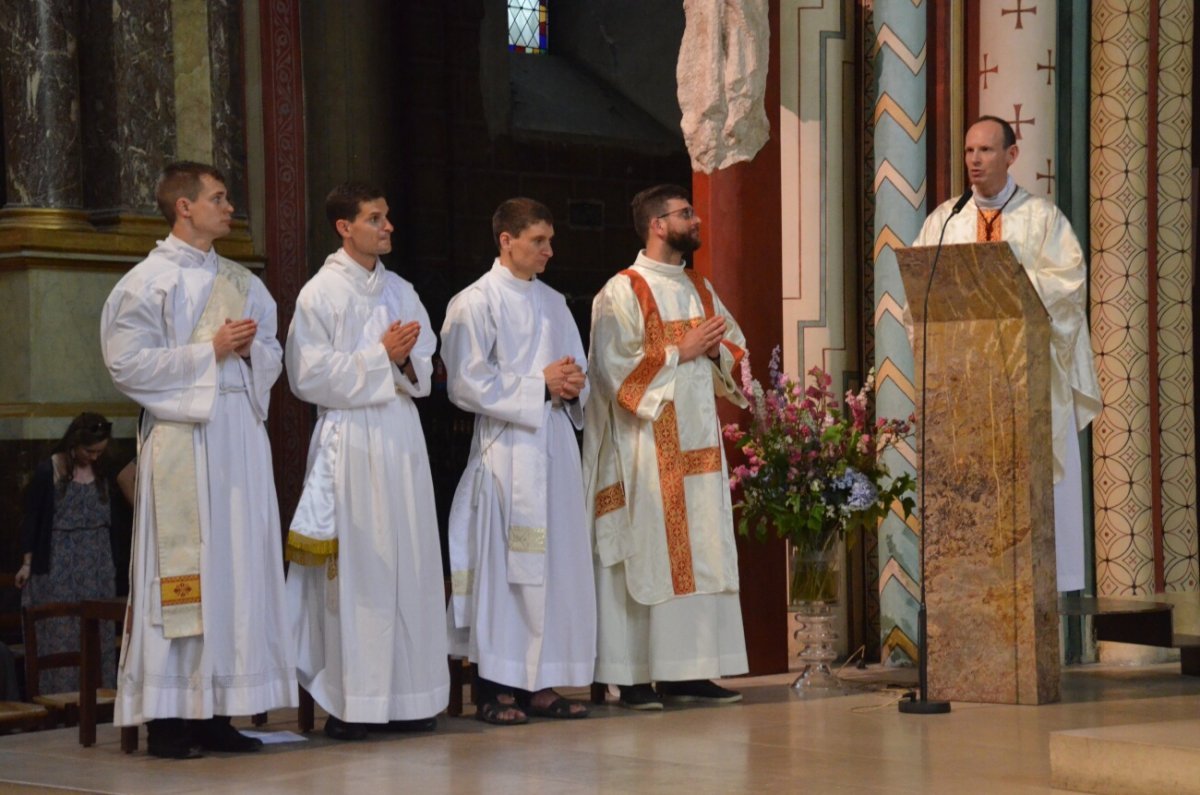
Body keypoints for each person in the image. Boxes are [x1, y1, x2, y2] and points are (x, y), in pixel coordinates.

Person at [100, 161, 296, 758]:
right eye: (218, 197)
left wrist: (247, 352)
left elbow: (271, 349)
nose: (229, 206)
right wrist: (207, 351)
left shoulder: (241, 279)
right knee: (182, 579)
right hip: (184, 438)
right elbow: (125, 364)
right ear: (183, 207)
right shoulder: (145, 283)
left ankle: (216, 710)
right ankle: (167, 719)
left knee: (235, 571)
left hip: (238, 439)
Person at [285, 182, 448, 741]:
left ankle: (410, 696)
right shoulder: (320, 293)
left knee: (410, 564)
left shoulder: (402, 290)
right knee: (361, 570)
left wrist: (404, 362)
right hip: (349, 443)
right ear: (344, 227)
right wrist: (382, 357)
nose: (387, 227)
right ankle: (355, 703)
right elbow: (307, 376)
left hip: (401, 440)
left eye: (387, 216)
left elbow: (426, 362)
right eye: (375, 218)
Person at [914, 116, 1102, 592]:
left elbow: (1066, 287)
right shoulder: (945, 221)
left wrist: (1002, 285)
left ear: (1011, 155)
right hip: (965, 388)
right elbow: (923, 294)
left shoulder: (1042, 219)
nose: (974, 160)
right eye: (969, 151)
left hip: (1024, 380)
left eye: (985, 151)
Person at [582, 184, 750, 710]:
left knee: (701, 553)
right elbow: (613, 373)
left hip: (698, 449)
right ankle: (629, 676)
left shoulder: (700, 287)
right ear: (657, 225)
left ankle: (688, 673)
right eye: (684, 214)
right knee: (646, 556)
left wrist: (719, 352)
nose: (695, 220)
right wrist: (682, 350)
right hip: (643, 454)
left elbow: (735, 350)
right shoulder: (622, 291)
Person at [442, 198, 595, 725]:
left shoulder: (554, 302)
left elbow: (579, 371)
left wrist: (575, 388)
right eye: (538, 241)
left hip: (553, 446)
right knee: (505, 571)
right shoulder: (473, 302)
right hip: (506, 451)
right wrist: (540, 385)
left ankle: (542, 682)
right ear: (505, 240)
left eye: (551, 241)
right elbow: (464, 383)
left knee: (554, 566)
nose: (549, 251)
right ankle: (495, 686)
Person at [16, 413, 132, 694]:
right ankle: (61, 698)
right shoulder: (51, 470)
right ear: (74, 443)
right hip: (60, 563)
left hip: (97, 563)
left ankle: (98, 699)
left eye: (99, 452)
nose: (93, 457)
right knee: (61, 631)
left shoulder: (105, 470)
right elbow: (32, 518)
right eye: (88, 450)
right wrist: (27, 563)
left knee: (97, 631)